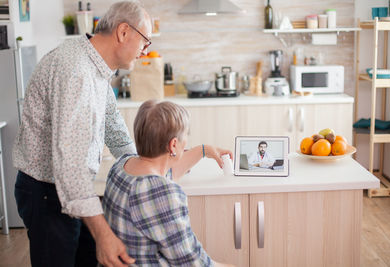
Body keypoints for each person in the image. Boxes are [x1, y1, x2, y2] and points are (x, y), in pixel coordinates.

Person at [13, 1, 156, 266]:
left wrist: (143, 167)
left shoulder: (96, 65)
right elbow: (70, 166)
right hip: (47, 194)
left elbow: (112, 123)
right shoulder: (75, 71)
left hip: (70, 190)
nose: (146, 51)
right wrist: (103, 234)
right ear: (123, 32)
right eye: (145, 41)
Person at [102, 100, 234, 267]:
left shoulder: (121, 165)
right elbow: (192, 262)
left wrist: (204, 150)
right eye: (185, 135)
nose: (186, 141)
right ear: (173, 144)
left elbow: (166, 170)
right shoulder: (163, 192)